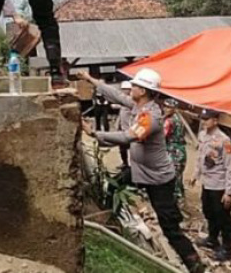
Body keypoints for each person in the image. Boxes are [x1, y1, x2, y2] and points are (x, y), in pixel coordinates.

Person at [79, 69, 205, 273]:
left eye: (135, 86)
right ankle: (111, 225)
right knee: (112, 187)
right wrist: (91, 80)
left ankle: (195, 265)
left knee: (170, 229)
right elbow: (117, 96)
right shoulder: (138, 106)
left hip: (158, 180)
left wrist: (94, 132)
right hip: (140, 171)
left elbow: (129, 136)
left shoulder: (151, 117)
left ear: (144, 91)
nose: (131, 88)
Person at [190, 109, 231, 262]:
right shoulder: (203, 135)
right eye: (202, 119)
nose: (204, 121)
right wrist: (195, 175)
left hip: (220, 185)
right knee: (208, 211)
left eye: (207, 119)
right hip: (207, 183)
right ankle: (212, 238)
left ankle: (227, 248)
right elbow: (200, 157)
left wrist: (229, 192)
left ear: (215, 121)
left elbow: (230, 167)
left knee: (223, 217)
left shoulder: (225, 140)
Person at [163, 99, 187, 203]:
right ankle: (180, 196)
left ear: (174, 109)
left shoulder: (169, 121)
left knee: (173, 175)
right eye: (165, 106)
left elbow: (163, 135)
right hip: (181, 149)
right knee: (179, 174)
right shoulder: (179, 119)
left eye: (168, 107)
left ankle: (176, 199)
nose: (166, 109)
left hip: (173, 150)